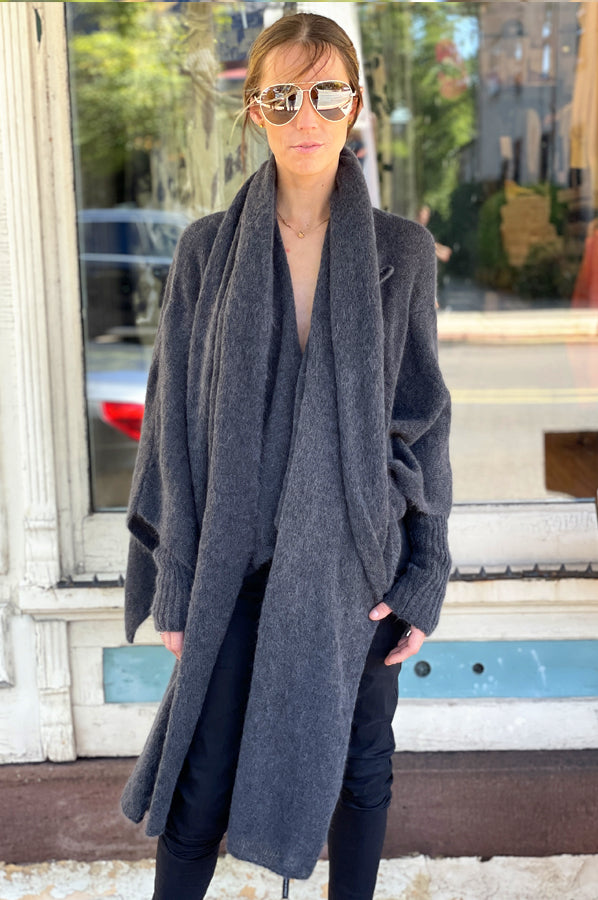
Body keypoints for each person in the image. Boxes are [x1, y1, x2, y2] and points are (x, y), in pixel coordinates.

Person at [120, 13, 452, 900]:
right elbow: (170, 425)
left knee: (362, 766)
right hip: (235, 559)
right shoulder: (206, 252)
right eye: (282, 97)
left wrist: (424, 575)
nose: (306, 115)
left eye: (326, 94)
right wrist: (175, 576)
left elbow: (424, 422)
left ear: (355, 107)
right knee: (199, 783)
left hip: (357, 565)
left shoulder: (401, 253)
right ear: (255, 111)